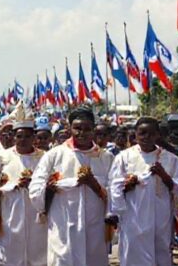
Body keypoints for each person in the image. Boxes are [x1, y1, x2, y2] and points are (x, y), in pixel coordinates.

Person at [29, 107, 114, 266]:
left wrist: (94, 184)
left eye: (87, 129)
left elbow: (116, 193)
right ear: (69, 129)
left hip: (94, 227)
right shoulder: (54, 155)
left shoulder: (106, 157)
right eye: (77, 128)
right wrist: (50, 188)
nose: (82, 133)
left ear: (93, 129)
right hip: (63, 225)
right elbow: (35, 189)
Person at [108, 117, 178, 266]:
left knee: (161, 253)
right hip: (133, 216)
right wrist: (127, 184)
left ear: (158, 135)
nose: (146, 137)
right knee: (133, 255)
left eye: (151, 134)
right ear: (135, 134)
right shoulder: (124, 157)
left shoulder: (170, 159)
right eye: (142, 133)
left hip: (160, 217)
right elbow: (113, 185)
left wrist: (164, 175)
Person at [0, 110, 47, 266]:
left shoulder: (44, 157)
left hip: (36, 214)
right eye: (19, 136)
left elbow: (51, 182)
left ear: (34, 137)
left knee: (37, 254)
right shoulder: (2, 157)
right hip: (8, 212)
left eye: (27, 136)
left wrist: (34, 184)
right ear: (13, 137)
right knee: (8, 255)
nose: (22, 140)